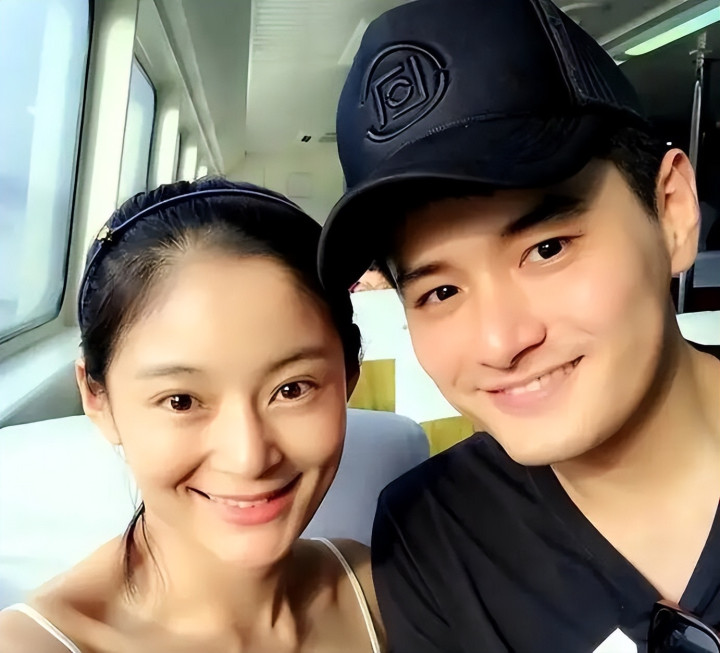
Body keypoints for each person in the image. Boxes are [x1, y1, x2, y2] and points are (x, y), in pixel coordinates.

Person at [317, 1, 720, 651]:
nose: (501, 342)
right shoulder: (435, 538)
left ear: (671, 211)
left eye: (547, 249)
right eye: (441, 291)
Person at [0, 178, 385, 653]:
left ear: (348, 378)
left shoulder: (382, 592)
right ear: (98, 398)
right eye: (181, 400)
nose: (248, 458)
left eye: (291, 389)